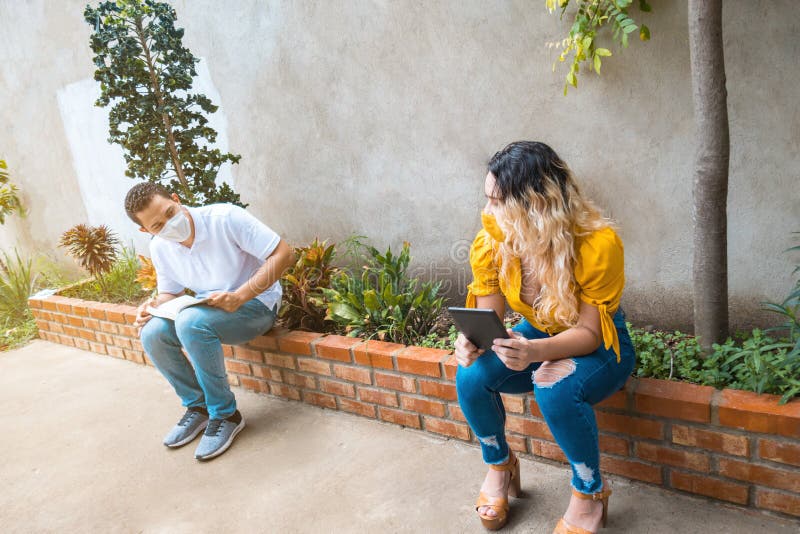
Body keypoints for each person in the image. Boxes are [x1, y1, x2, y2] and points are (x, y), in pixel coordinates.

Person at [454, 142, 635, 532]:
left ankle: (589, 492)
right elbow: (490, 316)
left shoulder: (597, 245)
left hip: (601, 347)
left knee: (551, 383)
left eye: (497, 202)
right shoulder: (495, 240)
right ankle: (500, 466)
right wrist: (473, 340)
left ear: (534, 204)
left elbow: (588, 333)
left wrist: (535, 352)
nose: (487, 212)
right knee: (469, 374)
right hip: (537, 336)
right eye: (486, 199)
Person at [125, 182, 293, 461]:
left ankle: (225, 415)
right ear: (146, 231)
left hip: (257, 305)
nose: (169, 224)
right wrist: (152, 306)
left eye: (170, 212)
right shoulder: (160, 247)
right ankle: (198, 407)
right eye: (157, 225)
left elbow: (285, 254)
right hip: (210, 309)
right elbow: (171, 292)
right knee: (152, 332)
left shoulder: (225, 218)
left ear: (177, 199)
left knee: (191, 322)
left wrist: (241, 295)